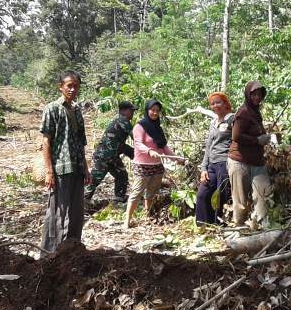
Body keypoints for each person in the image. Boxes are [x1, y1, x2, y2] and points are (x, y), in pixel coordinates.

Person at [39, 70, 92, 253]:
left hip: (76, 167)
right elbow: (46, 141)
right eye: (69, 85)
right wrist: (49, 171)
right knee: (57, 214)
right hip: (60, 168)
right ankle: (49, 253)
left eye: (76, 86)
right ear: (61, 87)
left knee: (76, 213)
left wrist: (86, 168)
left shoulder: (77, 110)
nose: (73, 89)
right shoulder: (52, 109)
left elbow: (80, 142)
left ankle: (72, 251)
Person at [124, 99, 185, 228]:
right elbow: (138, 143)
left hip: (157, 166)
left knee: (151, 193)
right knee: (136, 193)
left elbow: (164, 147)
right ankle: (127, 220)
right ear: (147, 110)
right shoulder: (139, 126)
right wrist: (149, 151)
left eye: (157, 111)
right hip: (142, 165)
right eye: (152, 110)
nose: (155, 113)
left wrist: (176, 158)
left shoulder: (158, 128)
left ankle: (147, 216)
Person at [227, 81, 273, 228]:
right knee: (240, 201)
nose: (257, 97)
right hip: (240, 161)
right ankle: (239, 229)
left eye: (259, 94)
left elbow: (257, 131)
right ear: (248, 94)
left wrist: (266, 138)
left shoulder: (255, 112)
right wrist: (257, 140)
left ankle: (263, 227)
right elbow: (236, 136)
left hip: (257, 162)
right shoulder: (243, 112)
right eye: (254, 94)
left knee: (263, 195)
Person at [84, 101, 137, 203]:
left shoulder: (120, 121)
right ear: (124, 111)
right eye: (131, 111)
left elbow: (121, 145)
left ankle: (119, 198)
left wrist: (134, 154)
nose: (133, 114)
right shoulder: (123, 121)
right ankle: (82, 201)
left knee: (122, 175)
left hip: (113, 157)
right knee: (95, 179)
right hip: (104, 156)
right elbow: (136, 137)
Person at [195, 92, 234, 225]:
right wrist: (204, 168)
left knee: (222, 196)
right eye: (212, 103)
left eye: (218, 102)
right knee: (202, 194)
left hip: (225, 163)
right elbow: (209, 146)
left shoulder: (232, 120)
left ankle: (221, 226)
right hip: (211, 164)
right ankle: (203, 225)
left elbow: (238, 141)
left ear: (225, 103)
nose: (215, 105)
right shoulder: (213, 122)